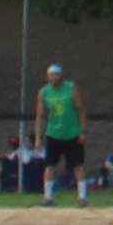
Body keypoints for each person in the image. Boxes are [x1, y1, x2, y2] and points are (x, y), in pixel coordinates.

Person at [32, 63, 86, 204]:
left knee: (77, 164)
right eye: (51, 75)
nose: (54, 77)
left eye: (57, 74)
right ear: (47, 77)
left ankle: (82, 196)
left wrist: (82, 131)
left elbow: (81, 110)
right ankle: (48, 197)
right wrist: (38, 137)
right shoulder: (44, 92)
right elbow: (40, 115)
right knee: (50, 165)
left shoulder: (71, 88)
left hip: (72, 133)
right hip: (53, 133)